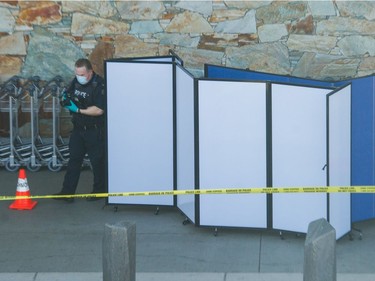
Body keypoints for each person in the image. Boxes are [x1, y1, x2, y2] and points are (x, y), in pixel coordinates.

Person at [54, 58, 106, 202]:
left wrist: (78, 109)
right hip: (78, 129)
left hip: (94, 130)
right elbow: (68, 94)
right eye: (77, 73)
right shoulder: (75, 82)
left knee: (97, 162)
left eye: (82, 74)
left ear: (90, 72)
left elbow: (98, 110)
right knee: (74, 160)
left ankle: (99, 191)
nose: (79, 77)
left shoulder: (99, 85)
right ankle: (67, 193)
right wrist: (65, 99)